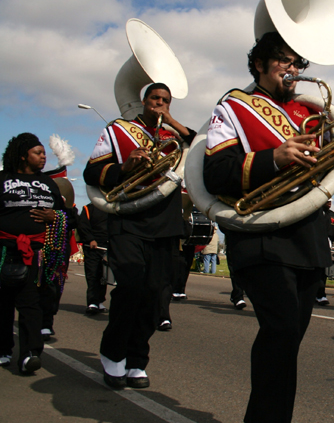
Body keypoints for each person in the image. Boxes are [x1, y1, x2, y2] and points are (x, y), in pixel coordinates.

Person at [203, 31, 334, 423]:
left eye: (297, 63)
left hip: (307, 236)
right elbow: (216, 173)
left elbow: (332, 163)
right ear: (259, 64)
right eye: (282, 61)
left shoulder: (305, 112)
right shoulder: (233, 106)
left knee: (287, 339)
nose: (292, 70)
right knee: (282, 329)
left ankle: (260, 418)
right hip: (261, 236)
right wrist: (274, 157)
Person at [84, 82, 196, 389]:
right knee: (130, 286)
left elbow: (201, 150)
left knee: (154, 294)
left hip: (166, 222)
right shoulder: (117, 131)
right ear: (143, 101)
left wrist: (172, 121)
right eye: (155, 99)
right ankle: (113, 353)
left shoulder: (174, 135)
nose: (159, 104)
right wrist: (125, 166)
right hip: (129, 218)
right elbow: (90, 173)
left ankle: (136, 359)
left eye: (165, 100)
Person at [0, 133, 74, 374]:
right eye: (38, 153)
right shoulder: (3, 179)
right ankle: (3, 349)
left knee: (31, 303)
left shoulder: (49, 183)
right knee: (3, 302)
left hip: (35, 253)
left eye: (44, 153)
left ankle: (30, 353)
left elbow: (70, 216)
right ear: (23, 155)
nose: (44, 157)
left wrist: (56, 216)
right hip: (3, 251)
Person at [78, 203, 109, 315]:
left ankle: (100, 301)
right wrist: (90, 239)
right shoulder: (88, 208)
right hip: (92, 247)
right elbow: (83, 225)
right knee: (93, 274)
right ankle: (92, 302)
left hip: (107, 247)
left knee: (104, 276)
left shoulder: (112, 207)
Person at [315, 200, 334, 306]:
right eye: (327, 201)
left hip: (326, 244)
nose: (329, 203)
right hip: (315, 243)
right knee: (315, 271)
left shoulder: (332, 214)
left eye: (330, 201)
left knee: (323, 272)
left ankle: (320, 295)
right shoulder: (316, 212)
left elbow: (333, 231)